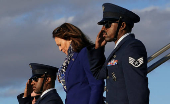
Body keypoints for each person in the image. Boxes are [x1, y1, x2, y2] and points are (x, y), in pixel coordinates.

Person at [87, 3, 150, 104]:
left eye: (107, 24)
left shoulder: (132, 47)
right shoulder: (119, 50)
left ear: (122, 25)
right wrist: (98, 48)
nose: (103, 29)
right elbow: (98, 74)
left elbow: (137, 89)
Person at [52, 23, 105, 104]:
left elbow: (96, 84)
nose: (60, 49)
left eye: (60, 44)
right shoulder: (68, 62)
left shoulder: (83, 53)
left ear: (69, 38)